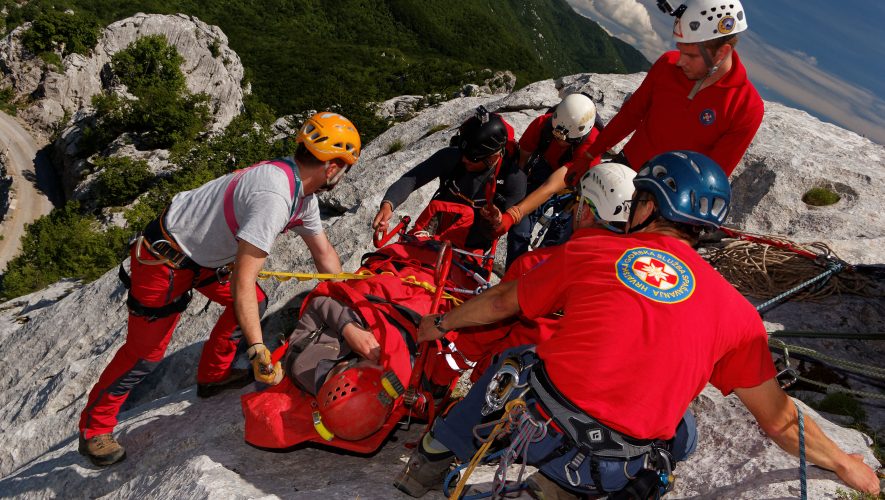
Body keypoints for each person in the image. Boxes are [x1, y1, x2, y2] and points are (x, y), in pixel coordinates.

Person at [394, 151, 879, 498]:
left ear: (647, 206)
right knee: (682, 429)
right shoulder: (738, 314)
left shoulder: (593, 250)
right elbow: (778, 420)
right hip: (617, 468)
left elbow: (502, 302)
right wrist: (844, 464)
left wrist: (440, 323)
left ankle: (433, 458)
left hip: (540, 424)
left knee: (517, 361)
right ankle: (559, 485)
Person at [78, 112, 361, 467]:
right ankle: (94, 429)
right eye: (344, 167)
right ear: (333, 167)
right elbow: (243, 279)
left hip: (203, 259)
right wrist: (257, 348)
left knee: (256, 300)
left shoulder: (301, 196)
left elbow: (325, 256)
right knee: (144, 354)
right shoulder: (274, 197)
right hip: (165, 258)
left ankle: (213, 377)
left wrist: (351, 301)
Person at [454, 162, 636, 380]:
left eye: (577, 202)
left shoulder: (537, 265)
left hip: (506, 384)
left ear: (586, 211)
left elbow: (490, 325)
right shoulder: (635, 285)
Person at [579, 0, 763, 178]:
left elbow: (711, 176)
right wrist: (589, 154)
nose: (680, 61)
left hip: (666, 198)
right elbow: (631, 114)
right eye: (680, 50)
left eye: (690, 55)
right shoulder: (667, 64)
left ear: (721, 53)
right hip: (624, 169)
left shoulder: (746, 108)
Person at [372, 106, 526, 265]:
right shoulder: (453, 157)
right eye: (462, 152)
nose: (464, 160)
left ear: (493, 157)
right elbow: (413, 178)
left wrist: (496, 221)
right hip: (433, 231)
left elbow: (496, 231)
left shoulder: (513, 181)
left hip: (471, 245)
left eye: (472, 158)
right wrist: (388, 205)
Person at [504, 93, 602, 266]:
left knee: (556, 245)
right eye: (556, 136)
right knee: (519, 230)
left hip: (576, 185)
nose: (559, 140)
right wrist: (519, 203)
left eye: (564, 139)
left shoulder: (591, 146)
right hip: (545, 168)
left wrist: (515, 213)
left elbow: (551, 186)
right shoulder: (543, 125)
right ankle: (512, 274)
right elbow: (522, 162)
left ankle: (538, 276)